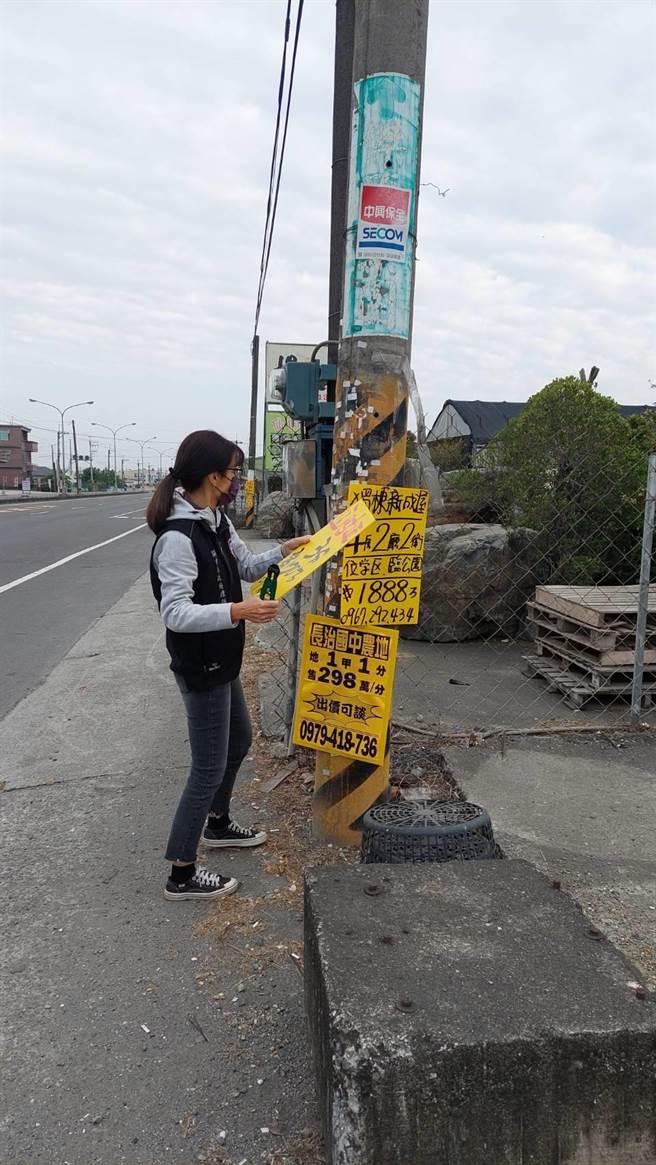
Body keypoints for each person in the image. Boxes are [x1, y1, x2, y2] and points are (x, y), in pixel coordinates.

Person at [146, 430, 309, 902]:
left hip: (222, 657)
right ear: (213, 476)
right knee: (207, 767)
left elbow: (247, 568)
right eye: (234, 471)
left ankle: (217, 824)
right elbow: (174, 613)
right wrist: (238, 612)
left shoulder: (215, 520)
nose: (238, 479)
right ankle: (181, 871)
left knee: (238, 740)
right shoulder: (178, 537)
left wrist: (286, 551)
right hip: (201, 664)